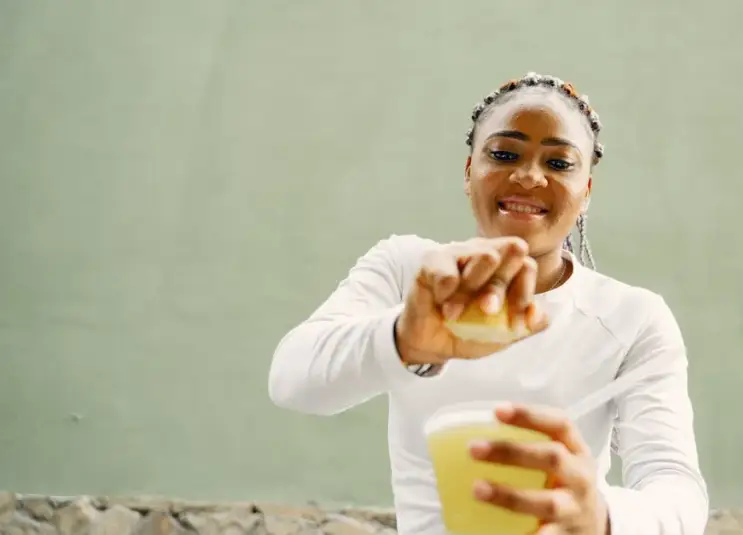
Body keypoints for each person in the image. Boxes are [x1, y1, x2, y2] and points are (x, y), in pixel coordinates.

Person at [268, 72, 709, 535]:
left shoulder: (633, 318)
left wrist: (601, 515)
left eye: (559, 164)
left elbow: (676, 487)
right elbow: (292, 380)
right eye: (503, 154)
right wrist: (405, 339)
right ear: (468, 171)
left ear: (586, 194)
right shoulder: (409, 271)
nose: (528, 176)